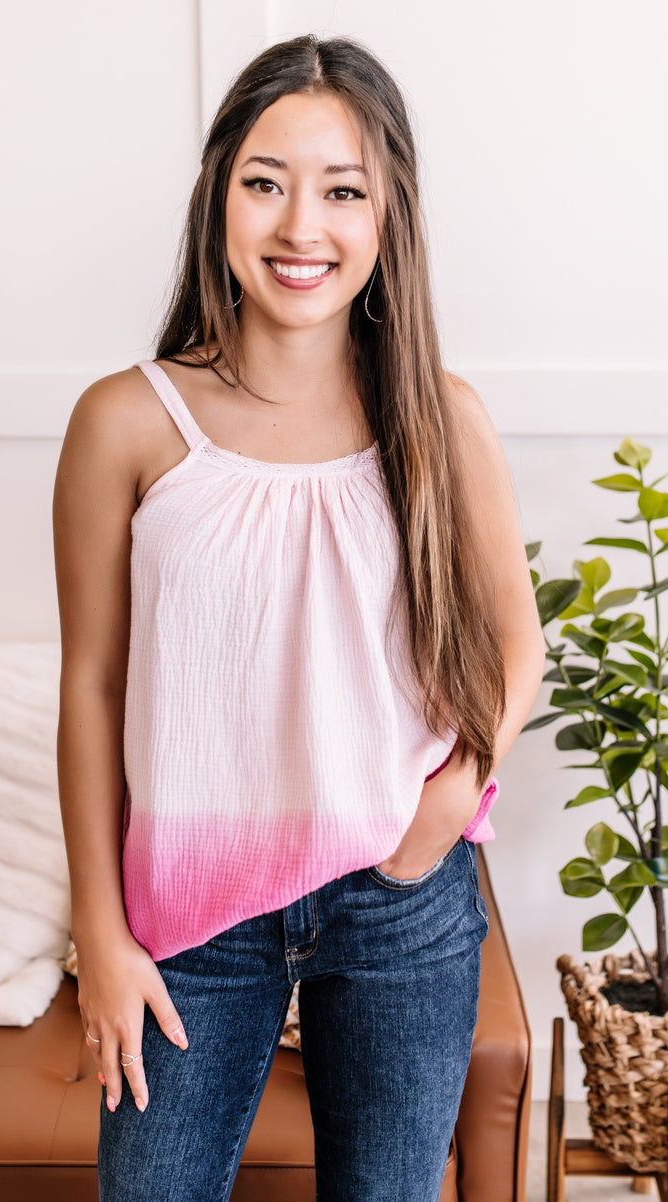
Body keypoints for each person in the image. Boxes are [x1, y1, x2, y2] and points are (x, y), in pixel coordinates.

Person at [52, 32, 544, 1202]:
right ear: (220, 192)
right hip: (190, 916)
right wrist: (101, 934)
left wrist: (446, 799)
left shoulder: (441, 418)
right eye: (265, 182)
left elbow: (516, 646)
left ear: (387, 218)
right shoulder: (126, 420)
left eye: (341, 190)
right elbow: (91, 688)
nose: (298, 227)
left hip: (398, 900)